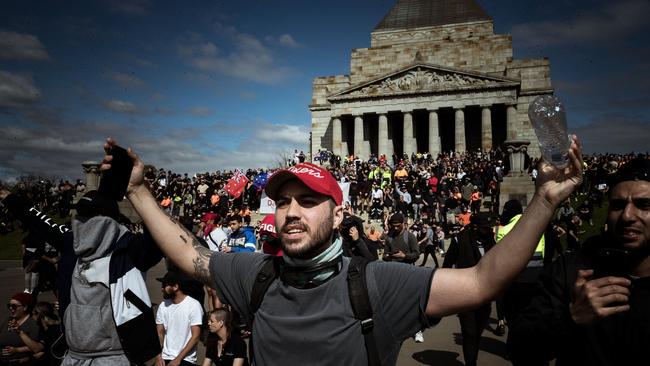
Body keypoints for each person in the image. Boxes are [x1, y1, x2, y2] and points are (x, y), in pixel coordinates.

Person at [101, 136, 583, 365]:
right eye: (284, 200)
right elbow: (190, 258)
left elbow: (483, 282)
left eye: (309, 202)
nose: (292, 211)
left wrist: (542, 201)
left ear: (338, 216)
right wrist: (139, 192)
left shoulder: (377, 283)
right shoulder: (257, 275)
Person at [507, 156, 650, 366]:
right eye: (618, 205)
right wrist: (570, 318)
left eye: (643, 205)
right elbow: (519, 349)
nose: (627, 215)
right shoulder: (572, 270)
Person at [0, 189, 162, 366]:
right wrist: (10, 199)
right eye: (80, 213)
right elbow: (39, 222)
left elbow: (158, 236)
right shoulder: (70, 241)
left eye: (86, 214)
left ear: (106, 220)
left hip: (114, 356)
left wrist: (141, 191)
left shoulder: (130, 248)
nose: (79, 220)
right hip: (73, 355)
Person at [442, 213, 496, 366]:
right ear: (475, 227)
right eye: (485, 228)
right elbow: (447, 264)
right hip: (464, 293)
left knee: (477, 332)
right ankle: (471, 363)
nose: (489, 231)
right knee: (469, 332)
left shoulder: (491, 240)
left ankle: (473, 356)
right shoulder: (460, 240)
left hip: (485, 294)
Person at [155, 272, 203, 366]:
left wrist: (178, 359)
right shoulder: (163, 305)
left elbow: (196, 336)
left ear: (175, 287)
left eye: (165, 285)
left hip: (185, 359)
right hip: (165, 358)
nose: (162, 288)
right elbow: (159, 333)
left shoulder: (193, 305)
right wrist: (158, 356)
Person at [0, 293, 39, 365]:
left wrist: (17, 350)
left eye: (14, 306)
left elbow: (37, 347)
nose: (11, 308)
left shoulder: (32, 324)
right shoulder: (8, 320)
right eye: (9, 306)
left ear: (25, 307)